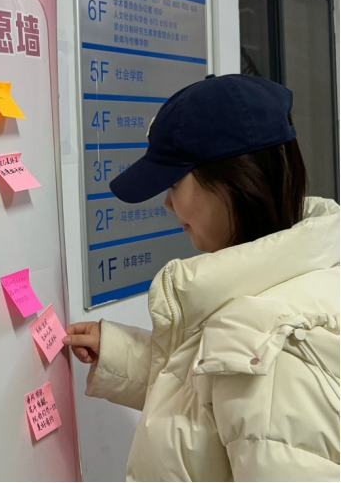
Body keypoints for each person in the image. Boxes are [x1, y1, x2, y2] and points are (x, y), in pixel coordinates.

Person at [63, 74, 340, 481]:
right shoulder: (302, 282)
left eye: (175, 183)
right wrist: (122, 355)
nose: (167, 203)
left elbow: (258, 393)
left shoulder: (270, 351)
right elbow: (212, 411)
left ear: (234, 180)